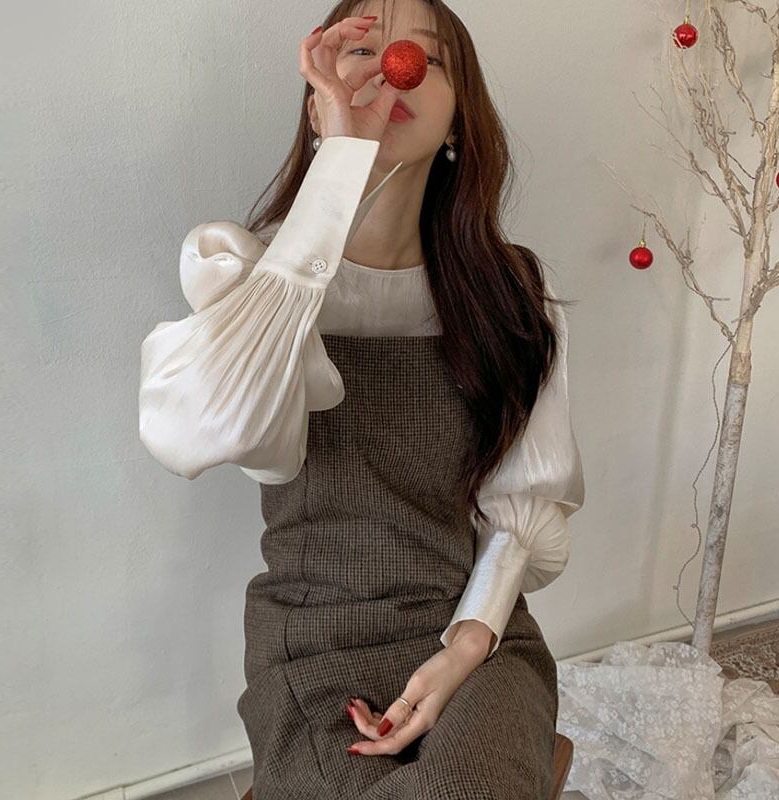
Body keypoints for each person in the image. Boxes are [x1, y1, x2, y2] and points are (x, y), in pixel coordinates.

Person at [138, 1, 585, 797]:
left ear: (458, 118)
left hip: (472, 633)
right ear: (317, 105)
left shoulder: (511, 294)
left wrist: (465, 646)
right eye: (361, 50)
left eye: (427, 58)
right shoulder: (249, 276)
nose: (392, 71)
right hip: (314, 645)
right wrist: (341, 164)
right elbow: (200, 431)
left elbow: (521, 505)